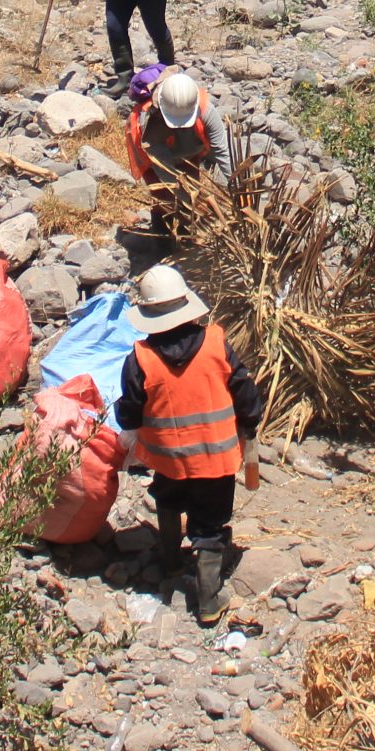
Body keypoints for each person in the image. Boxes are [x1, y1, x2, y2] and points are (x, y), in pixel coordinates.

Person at [116, 265, 265, 625]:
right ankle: (209, 600)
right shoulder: (216, 342)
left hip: (168, 460)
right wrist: (251, 423)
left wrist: (128, 430)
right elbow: (244, 389)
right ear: (186, 305)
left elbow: (130, 410)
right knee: (210, 525)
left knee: (167, 500)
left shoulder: (140, 358)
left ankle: (169, 561)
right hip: (215, 459)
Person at [126, 69, 230, 245]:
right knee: (163, 197)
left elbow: (224, 153)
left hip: (188, 148)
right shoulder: (148, 124)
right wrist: (195, 206)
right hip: (151, 154)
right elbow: (167, 175)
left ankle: (187, 238)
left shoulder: (206, 109)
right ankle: (162, 241)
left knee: (192, 188)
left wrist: (235, 191)